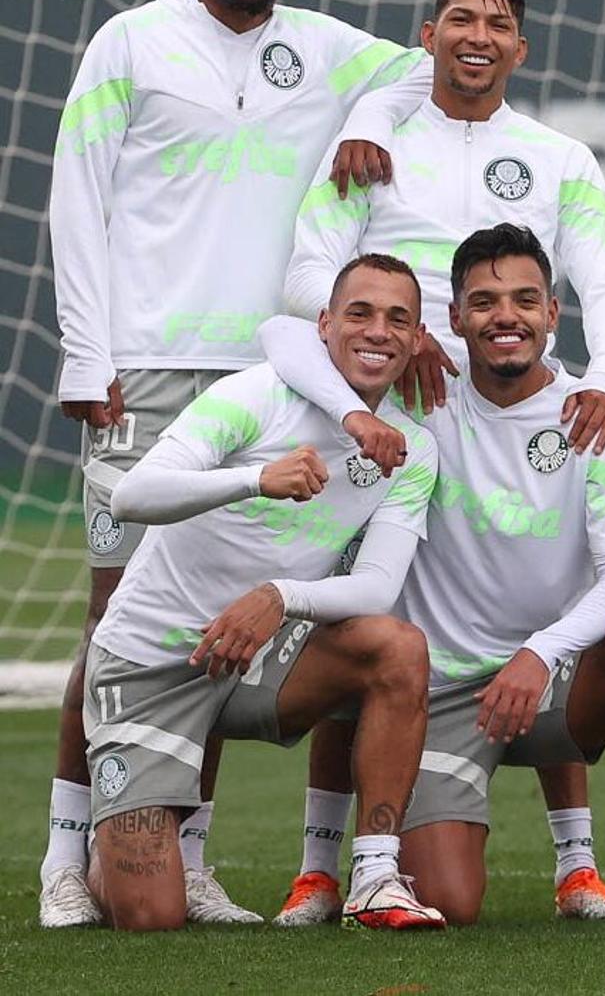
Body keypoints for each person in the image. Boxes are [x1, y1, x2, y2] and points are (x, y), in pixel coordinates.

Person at [42, 0, 431, 928]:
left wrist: (378, 123)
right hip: (150, 363)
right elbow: (77, 196)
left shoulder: (328, 48)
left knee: (228, 615)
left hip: (280, 370)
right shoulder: (133, 41)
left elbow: (422, 61)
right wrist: (88, 353)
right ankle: (65, 855)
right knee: (118, 610)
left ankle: (193, 850)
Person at [274, 0, 605, 924]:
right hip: (396, 409)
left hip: (515, 399)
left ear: (522, 48)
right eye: (463, 20)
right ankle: (323, 862)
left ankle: (578, 865)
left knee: (546, 584)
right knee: (367, 620)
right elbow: (308, 268)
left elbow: (604, 274)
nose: (480, 37)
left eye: (501, 25)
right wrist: (400, 337)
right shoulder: (373, 140)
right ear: (428, 34)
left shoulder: (560, 156)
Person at [259, 226, 605, 927]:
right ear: (453, 320)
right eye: (483, 302)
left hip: (553, 687)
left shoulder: (591, 415)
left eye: (524, 300)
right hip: (446, 696)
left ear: (552, 311)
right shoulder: (421, 393)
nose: (505, 317)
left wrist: (539, 653)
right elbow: (281, 332)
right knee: (450, 902)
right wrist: (373, 391)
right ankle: (324, 870)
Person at [83, 254, 443, 931]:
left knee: (396, 649)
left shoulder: (412, 449)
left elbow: (377, 586)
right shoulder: (256, 395)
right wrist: (253, 480)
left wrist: (280, 595)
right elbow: (131, 496)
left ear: (417, 338)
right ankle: (108, 848)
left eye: (399, 319)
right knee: (148, 916)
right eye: (360, 313)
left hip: (259, 655)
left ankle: (372, 874)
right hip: (151, 664)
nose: (378, 331)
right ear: (326, 323)